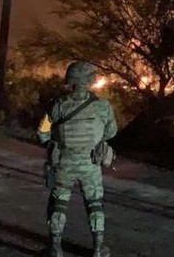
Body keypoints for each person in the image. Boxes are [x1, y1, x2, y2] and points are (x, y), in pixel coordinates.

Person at [37, 61, 117, 257]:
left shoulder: (58, 106)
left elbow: (42, 133)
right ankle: (98, 248)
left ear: (70, 81)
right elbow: (111, 131)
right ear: (89, 81)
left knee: (59, 203)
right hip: (91, 164)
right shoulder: (102, 106)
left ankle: (55, 248)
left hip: (64, 162)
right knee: (94, 203)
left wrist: (52, 142)